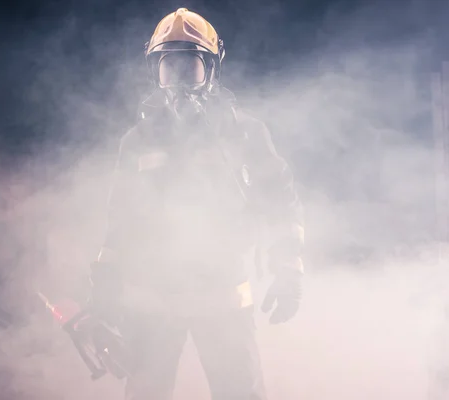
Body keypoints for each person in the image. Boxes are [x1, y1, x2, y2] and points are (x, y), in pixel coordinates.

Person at [89, 8, 304, 400]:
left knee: (241, 393)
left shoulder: (245, 134)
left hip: (222, 297)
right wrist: (104, 284)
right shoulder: (137, 141)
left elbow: (280, 203)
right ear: (155, 73)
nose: (179, 84)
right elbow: (120, 220)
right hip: (153, 301)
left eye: (190, 69)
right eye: (169, 70)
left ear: (211, 70)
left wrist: (289, 270)